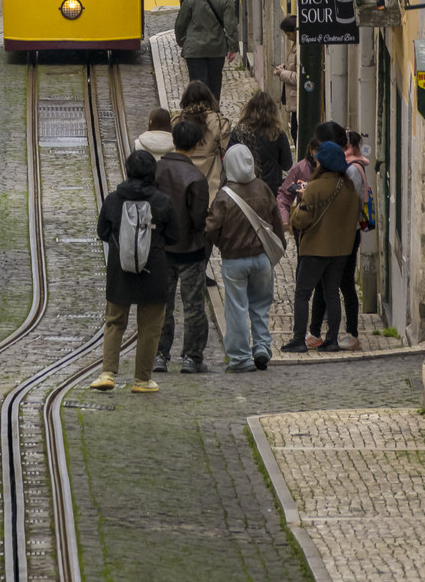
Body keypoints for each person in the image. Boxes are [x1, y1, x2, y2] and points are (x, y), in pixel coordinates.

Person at [90, 147, 176, 392]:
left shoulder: (113, 200)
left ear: (128, 171)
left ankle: (107, 372)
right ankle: (142, 379)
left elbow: (102, 232)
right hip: (154, 272)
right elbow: (174, 235)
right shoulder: (162, 201)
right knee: (149, 327)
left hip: (121, 271)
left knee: (115, 321)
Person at [205, 141, 287, 370]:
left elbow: (210, 229)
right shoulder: (263, 188)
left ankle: (241, 357)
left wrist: (222, 243)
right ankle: (261, 347)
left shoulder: (224, 195)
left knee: (237, 308)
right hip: (262, 259)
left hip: (234, 260)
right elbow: (276, 224)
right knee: (260, 306)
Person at [286, 138, 361, 352]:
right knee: (332, 293)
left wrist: (297, 209)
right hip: (340, 251)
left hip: (314, 250)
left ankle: (299, 338)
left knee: (302, 293)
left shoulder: (315, 188)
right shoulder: (349, 190)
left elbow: (301, 221)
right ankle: (332, 340)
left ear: (322, 163)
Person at [153, 114, 212, 373]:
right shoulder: (196, 177)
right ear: (197, 144)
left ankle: (159, 355)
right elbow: (200, 219)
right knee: (193, 307)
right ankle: (191, 356)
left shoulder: (157, 170)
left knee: (162, 306)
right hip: (190, 250)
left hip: (162, 250)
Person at [174, 0, 237, 102]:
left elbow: (180, 24)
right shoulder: (224, 0)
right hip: (216, 48)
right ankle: (213, 112)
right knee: (215, 84)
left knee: (197, 85)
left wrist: (182, 41)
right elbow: (230, 26)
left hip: (194, 49)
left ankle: (198, 111)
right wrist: (232, 48)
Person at [177, 78, 230, 198]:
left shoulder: (177, 121)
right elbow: (227, 151)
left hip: (183, 179)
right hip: (212, 182)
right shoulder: (219, 122)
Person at [234, 88, 294, 192]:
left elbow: (230, 159)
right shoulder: (278, 134)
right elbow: (287, 164)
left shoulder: (239, 132)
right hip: (270, 188)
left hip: (243, 186)